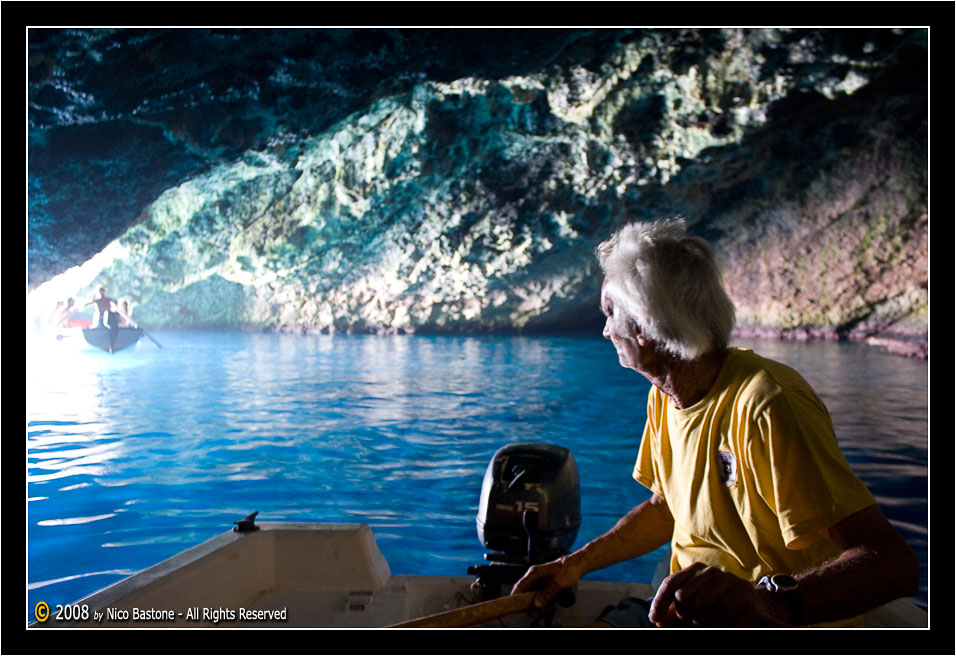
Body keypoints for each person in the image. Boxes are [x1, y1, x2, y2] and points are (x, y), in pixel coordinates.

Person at [511, 217, 919, 628]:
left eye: (610, 313)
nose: (603, 331)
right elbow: (666, 508)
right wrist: (574, 564)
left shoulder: (766, 403)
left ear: (644, 329)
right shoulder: (665, 397)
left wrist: (769, 604)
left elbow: (893, 564)